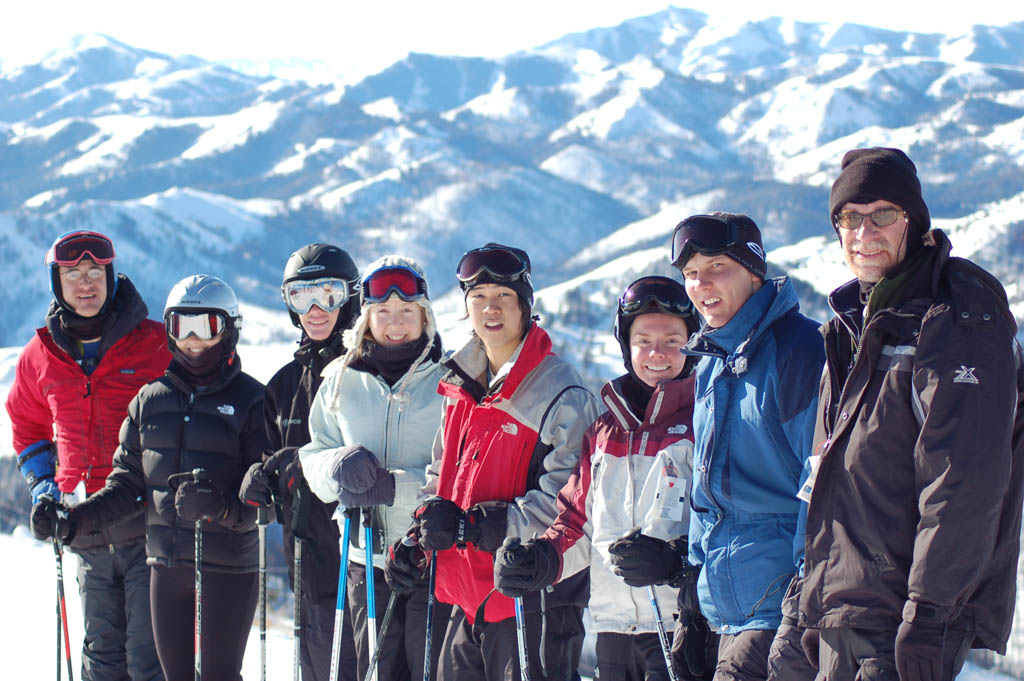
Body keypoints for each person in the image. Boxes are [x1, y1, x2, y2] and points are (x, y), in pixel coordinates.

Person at [796, 147, 1024, 681]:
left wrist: (928, 614)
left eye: (883, 215)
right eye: (850, 218)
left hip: (905, 618)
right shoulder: (854, 326)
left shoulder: (957, 320)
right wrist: (814, 597)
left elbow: (962, 482)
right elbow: (829, 477)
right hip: (846, 607)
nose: (864, 232)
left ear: (914, 224)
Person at [31, 274, 268, 681]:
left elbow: (265, 498)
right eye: (180, 326)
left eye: (206, 326)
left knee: (217, 676)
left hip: (228, 568)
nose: (193, 340)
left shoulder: (252, 399)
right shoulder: (149, 401)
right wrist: (73, 522)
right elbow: (126, 488)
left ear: (229, 330)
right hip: (166, 565)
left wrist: (221, 507)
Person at [493, 275, 718, 681]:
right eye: (643, 340)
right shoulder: (604, 432)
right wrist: (540, 559)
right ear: (625, 345)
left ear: (693, 343)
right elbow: (576, 523)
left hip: (682, 624)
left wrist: (676, 562)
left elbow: (724, 522)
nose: (657, 353)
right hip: (614, 627)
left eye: (673, 340)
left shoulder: (705, 421)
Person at [399, 242, 602, 681]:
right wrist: (419, 534)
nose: (491, 309)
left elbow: (572, 503)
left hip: (532, 595)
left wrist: (476, 526)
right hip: (467, 595)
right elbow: (441, 476)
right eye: (479, 299)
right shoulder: (462, 384)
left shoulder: (561, 394)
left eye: (504, 297)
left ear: (526, 305)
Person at [7, 230, 168, 681]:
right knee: (102, 659)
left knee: (148, 657)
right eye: (72, 273)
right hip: (83, 530)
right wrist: (44, 488)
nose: (85, 283)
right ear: (57, 282)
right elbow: (27, 424)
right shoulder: (40, 355)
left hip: (148, 524)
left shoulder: (155, 343)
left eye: (95, 271)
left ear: (111, 275)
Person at [670, 213, 824, 681]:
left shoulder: (799, 350)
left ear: (753, 270)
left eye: (716, 266)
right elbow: (706, 494)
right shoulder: (713, 359)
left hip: (780, 609)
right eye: (691, 274)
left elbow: (821, 485)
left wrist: (802, 606)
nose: (702, 284)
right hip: (726, 609)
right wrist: (692, 599)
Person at [297, 255, 450, 681]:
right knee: (378, 673)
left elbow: (459, 475)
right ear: (367, 318)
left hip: (431, 557)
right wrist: (337, 468)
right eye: (383, 312)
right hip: (365, 555)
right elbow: (313, 456)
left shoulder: (450, 381)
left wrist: (394, 488)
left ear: (425, 316)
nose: (395, 322)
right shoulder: (340, 380)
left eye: (407, 311)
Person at [239, 243, 361, 681]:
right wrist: (261, 479)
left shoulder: (366, 374)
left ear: (350, 296)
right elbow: (270, 467)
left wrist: (299, 463)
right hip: (306, 562)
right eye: (300, 296)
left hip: (361, 563)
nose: (314, 309)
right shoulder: (283, 386)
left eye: (327, 294)